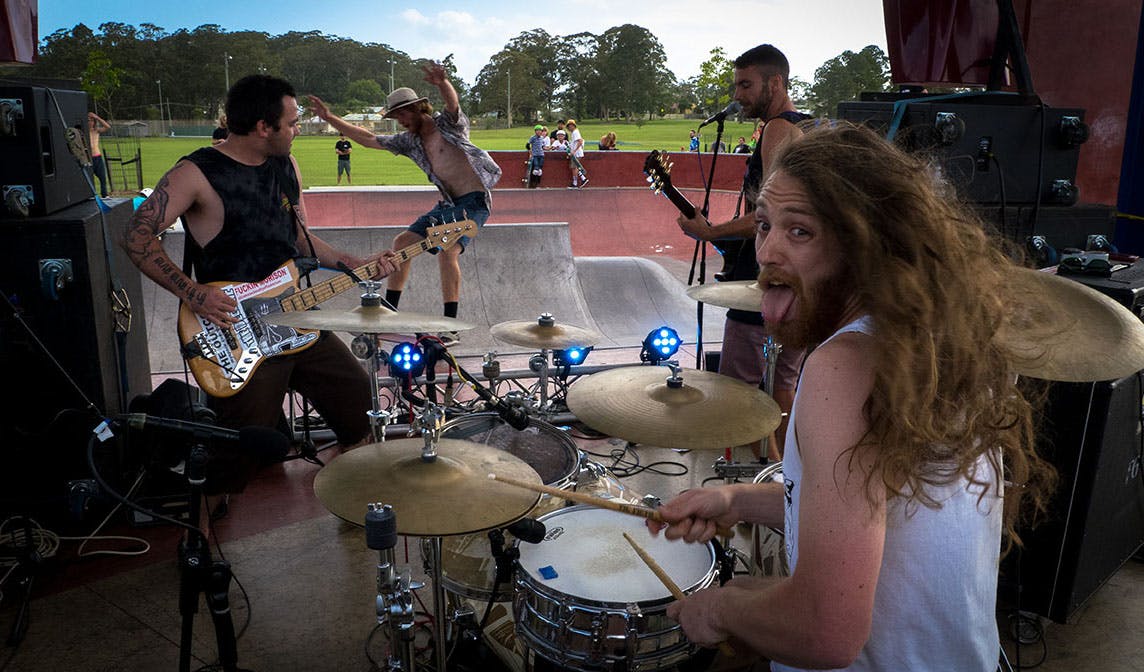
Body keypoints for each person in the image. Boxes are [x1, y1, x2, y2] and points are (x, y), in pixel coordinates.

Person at [651, 121, 1057, 671]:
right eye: (765, 225)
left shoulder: (842, 367)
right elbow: (886, 509)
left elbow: (824, 630)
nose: (767, 251)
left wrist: (720, 609)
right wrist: (735, 500)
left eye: (801, 232)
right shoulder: (934, 345)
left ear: (863, 243)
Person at [122, 75, 398, 461]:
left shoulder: (286, 166)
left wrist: (354, 264)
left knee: (362, 415)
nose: (298, 130)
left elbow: (299, 240)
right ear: (263, 127)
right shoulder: (197, 173)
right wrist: (193, 292)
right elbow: (136, 235)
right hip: (236, 333)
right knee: (235, 456)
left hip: (297, 318)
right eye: (292, 123)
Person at [676, 44, 810, 459]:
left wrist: (711, 230)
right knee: (784, 381)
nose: (739, 94)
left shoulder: (777, 129)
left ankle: (752, 474)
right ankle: (785, 474)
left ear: (776, 82)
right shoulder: (809, 128)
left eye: (746, 84)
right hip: (799, 279)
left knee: (738, 387)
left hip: (764, 276)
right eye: (737, 85)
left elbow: (769, 216)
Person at [307, 63, 501, 345]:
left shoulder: (448, 126)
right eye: (397, 118)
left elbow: (453, 104)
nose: (401, 122)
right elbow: (369, 139)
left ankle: (450, 326)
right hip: (447, 204)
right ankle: (390, 310)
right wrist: (330, 118)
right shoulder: (408, 141)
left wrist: (443, 82)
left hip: (474, 203)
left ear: (419, 108)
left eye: (403, 115)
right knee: (402, 243)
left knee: (448, 251)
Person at [87, 112, 112, 197]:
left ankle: (104, 195)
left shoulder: (96, 131)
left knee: (102, 178)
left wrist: (97, 117)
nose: (90, 122)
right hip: (88, 158)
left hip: (97, 157)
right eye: (88, 121)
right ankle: (91, 195)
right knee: (89, 179)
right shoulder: (83, 132)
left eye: (91, 121)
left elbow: (107, 127)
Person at [564, 119, 589, 189]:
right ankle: (583, 179)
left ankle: (575, 183)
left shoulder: (575, 132)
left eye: (570, 126)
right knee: (575, 167)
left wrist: (574, 151)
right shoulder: (574, 133)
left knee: (574, 167)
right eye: (568, 126)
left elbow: (580, 141)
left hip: (576, 154)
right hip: (576, 153)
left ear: (573, 126)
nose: (569, 128)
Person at [526, 124, 546, 188]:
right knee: (535, 170)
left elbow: (543, 146)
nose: (539, 132)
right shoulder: (533, 137)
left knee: (539, 171)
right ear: (535, 131)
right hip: (535, 155)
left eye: (540, 131)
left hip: (541, 155)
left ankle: (537, 183)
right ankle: (533, 183)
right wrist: (530, 151)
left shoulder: (542, 138)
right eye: (537, 130)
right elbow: (527, 145)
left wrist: (549, 148)